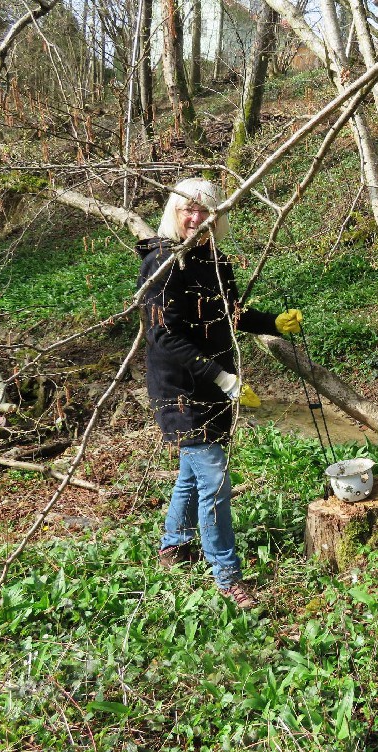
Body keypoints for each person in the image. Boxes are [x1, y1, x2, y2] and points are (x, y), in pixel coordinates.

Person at [137, 177, 304, 610]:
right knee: (214, 481)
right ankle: (228, 575)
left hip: (215, 381)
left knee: (194, 469)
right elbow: (161, 336)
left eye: (204, 211)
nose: (195, 218)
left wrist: (271, 323)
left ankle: (173, 544)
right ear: (174, 210)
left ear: (216, 216)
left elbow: (229, 314)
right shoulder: (160, 261)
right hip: (180, 388)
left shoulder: (215, 260)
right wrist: (224, 378)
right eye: (187, 209)